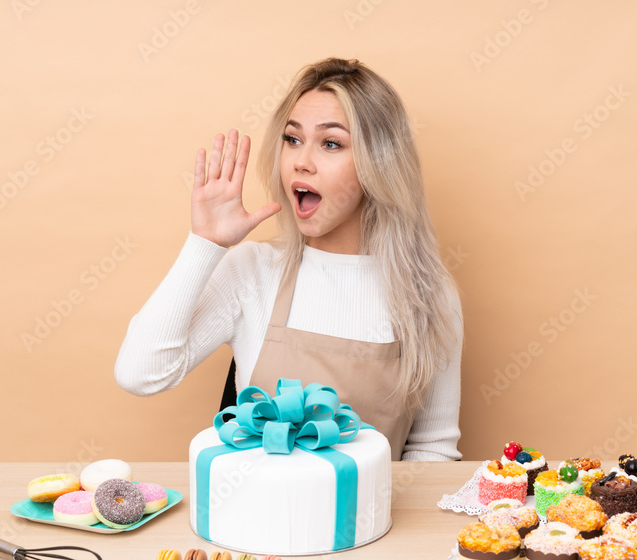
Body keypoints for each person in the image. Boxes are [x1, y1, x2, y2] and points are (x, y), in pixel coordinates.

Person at [115, 57, 463, 461]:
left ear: (379, 165)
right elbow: (139, 374)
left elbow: (431, 450)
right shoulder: (252, 270)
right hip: (255, 521)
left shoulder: (429, 294)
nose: (301, 161)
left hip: (366, 524)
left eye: (331, 143)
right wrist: (204, 244)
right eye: (292, 139)